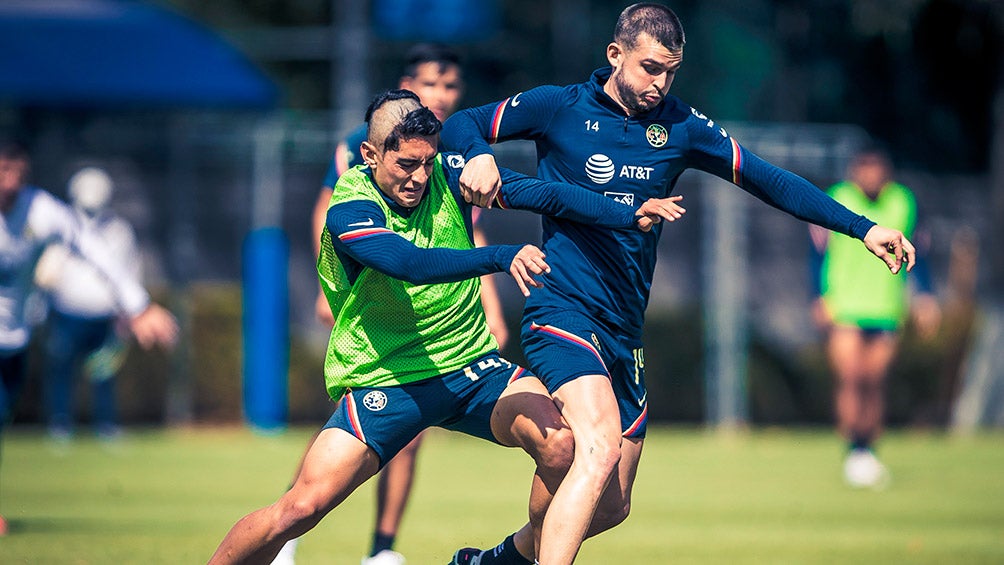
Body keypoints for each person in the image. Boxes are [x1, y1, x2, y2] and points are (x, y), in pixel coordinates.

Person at [441, 3, 920, 563]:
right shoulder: (559, 107)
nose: (660, 83)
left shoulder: (683, 126)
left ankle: (491, 562)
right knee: (594, 448)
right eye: (649, 68)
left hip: (624, 330)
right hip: (562, 310)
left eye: (671, 70)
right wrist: (477, 157)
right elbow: (461, 124)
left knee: (612, 502)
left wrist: (861, 228)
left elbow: (769, 179)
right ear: (615, 55)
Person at [207, 89, 683, 565]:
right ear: (371, 155)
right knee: (299, 508)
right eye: (406, 165)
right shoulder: (349, 208)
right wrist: (500, 255)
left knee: (560, 444)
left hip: (472, 367)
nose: (419, 177)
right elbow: (409, 262)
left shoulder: (447, 175)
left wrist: (627, 213)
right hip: (388, 379)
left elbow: (545, 193)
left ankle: (504, 562)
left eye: (427, 163)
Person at [282, 44, 504, 565]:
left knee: (411, 432)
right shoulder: (362, 146)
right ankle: (289, 532)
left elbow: (465, 233)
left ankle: (381, 550)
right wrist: (328, 288)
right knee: (349, 430)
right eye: (432, 85)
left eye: (451, 87)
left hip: (434, 320)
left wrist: (489, 303)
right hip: (377, 304)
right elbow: (333, 211)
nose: (443, 96)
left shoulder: (446, 156)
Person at [0, 141, 178, 535]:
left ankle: (99, 427)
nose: (9, 182)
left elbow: (94, 251)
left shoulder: (42, 211)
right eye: (2, 171)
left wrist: (138, 306)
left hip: (14, 339)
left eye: (16, 172)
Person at [809, 146, 940, 489]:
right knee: (851, 378)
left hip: (885, 305)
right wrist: (818, 295)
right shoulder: (838, 197)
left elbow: (920, 254)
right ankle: (854, 449)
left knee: (874, 381)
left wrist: (925, 295)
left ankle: (869, 448)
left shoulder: (903, 202)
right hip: (845, 305)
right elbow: (818, 250)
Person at [34, 167, 142, 442]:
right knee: (62, 370)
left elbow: (130, 271)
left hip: (104, 314)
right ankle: (60, 424)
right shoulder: (61, 227)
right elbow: (46, 269)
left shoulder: (120, 230)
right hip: (67, 312)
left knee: (103, 373)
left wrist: (130, 311)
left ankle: (105, 425)